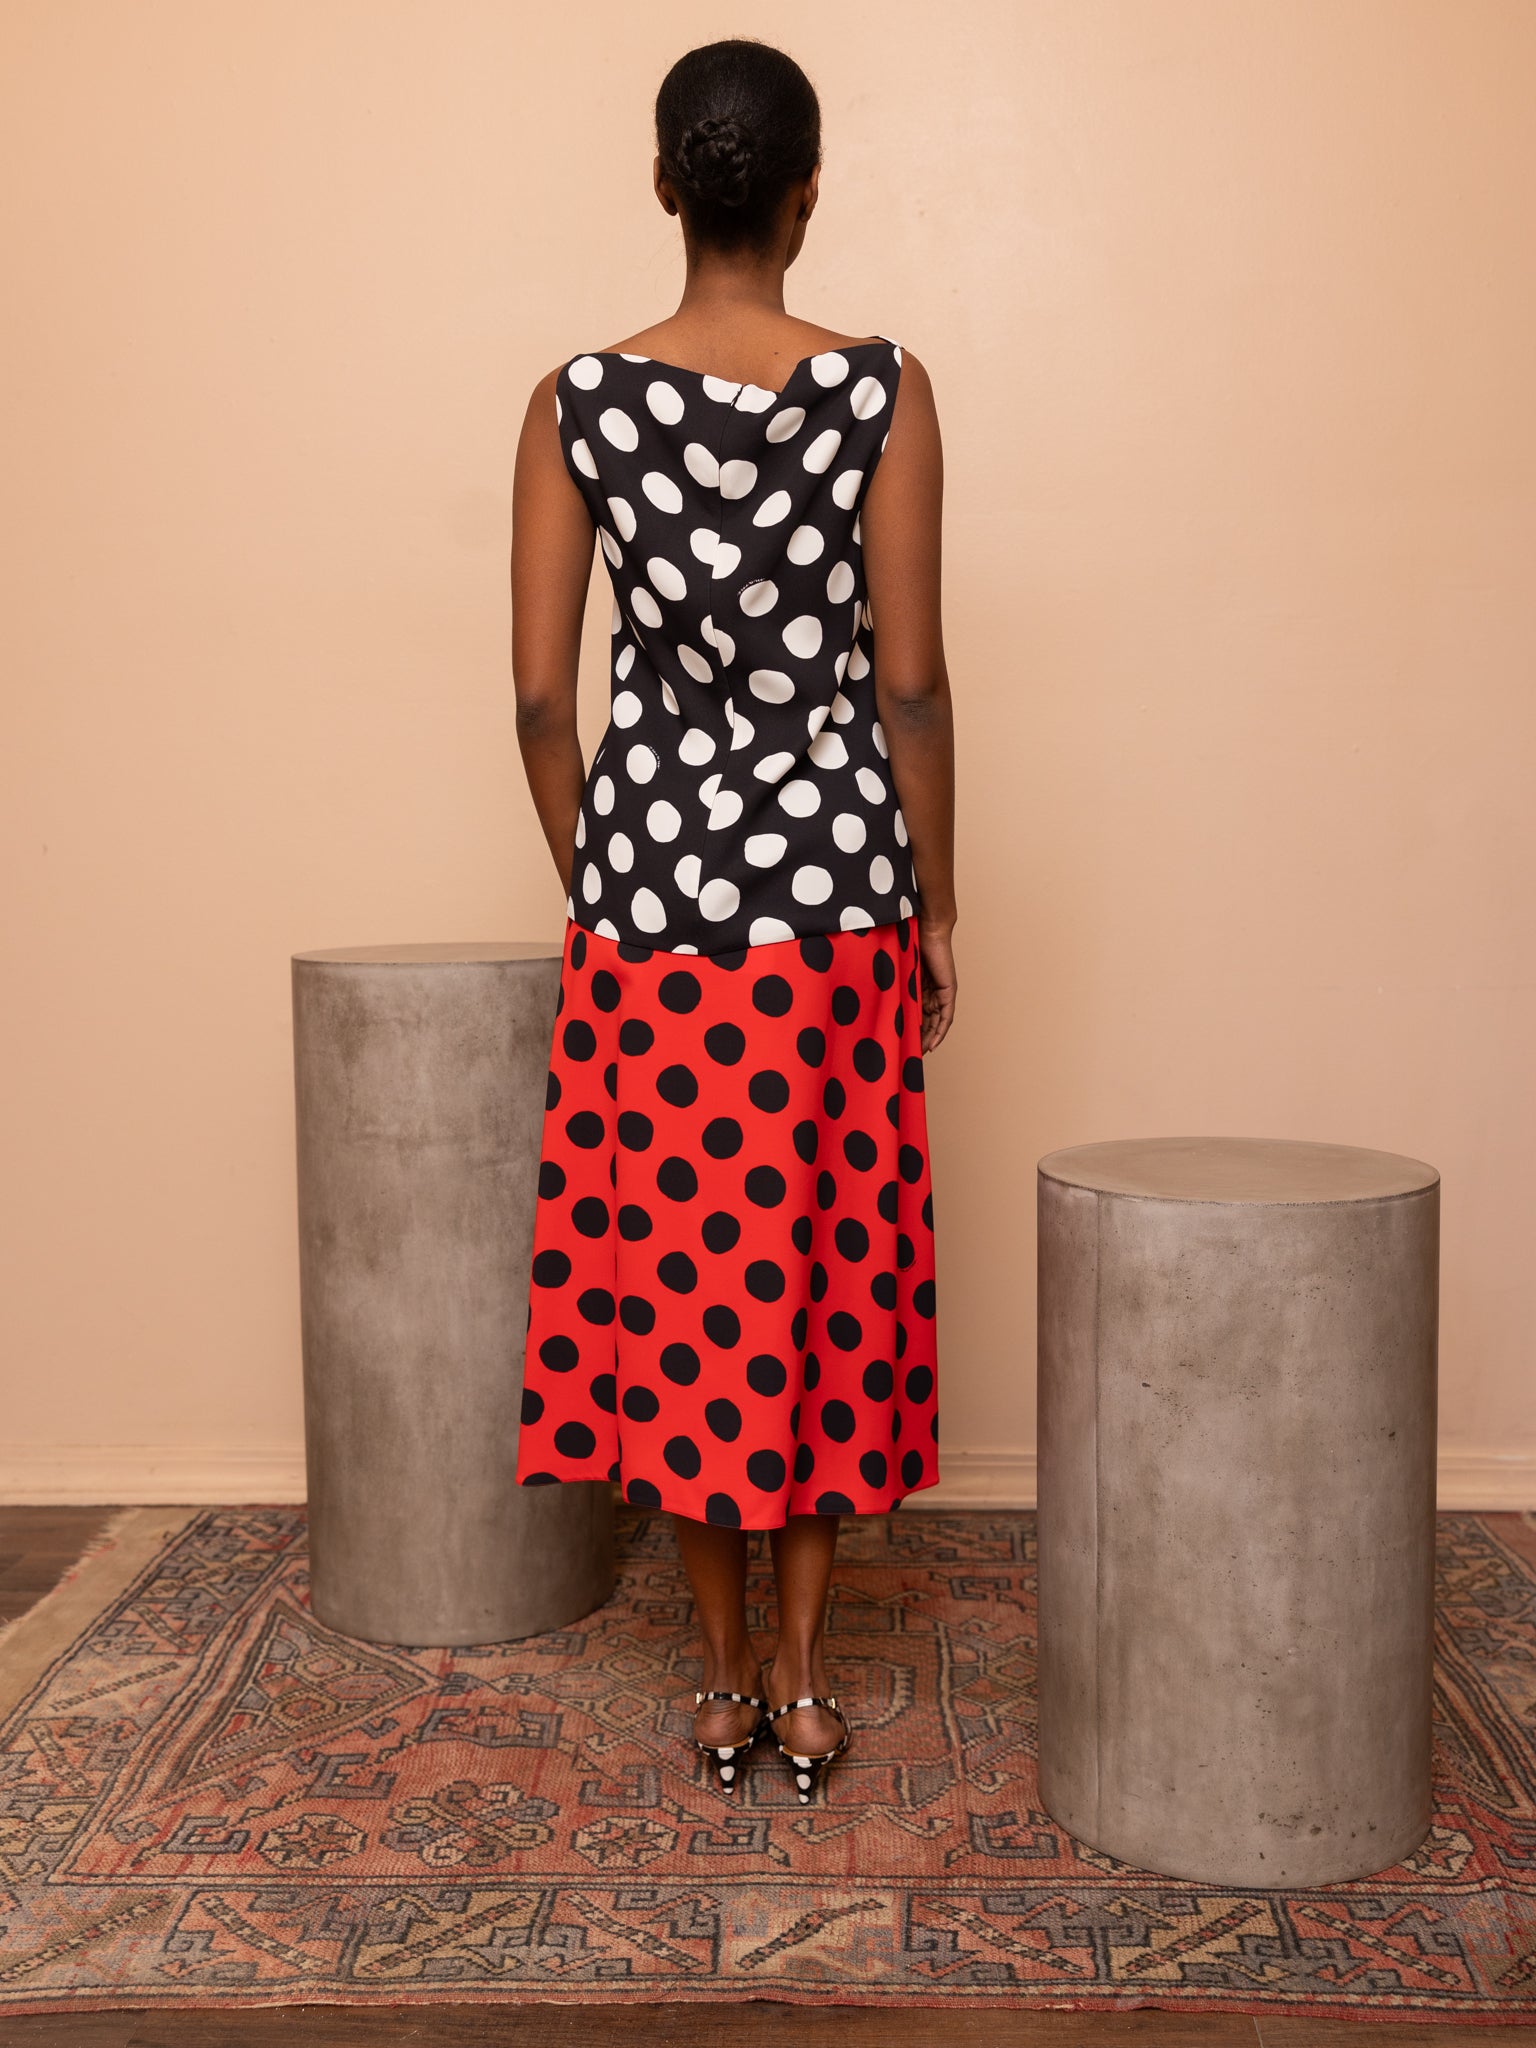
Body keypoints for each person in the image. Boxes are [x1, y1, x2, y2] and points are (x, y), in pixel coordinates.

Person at [507, 36, 955, 1805]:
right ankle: (808, 1677)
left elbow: (543, 702)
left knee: (693, 1275)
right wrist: (934, 904)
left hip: (654, 920)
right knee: (819, 1268)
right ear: (807, 192)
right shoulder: (886, 391)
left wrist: (608, 870)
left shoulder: (574, 402)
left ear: (664, 186)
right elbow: (908, 686)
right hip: (837, 902)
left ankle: (714, 1680)